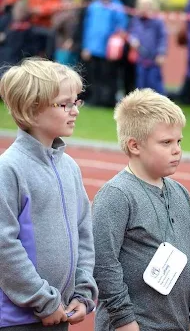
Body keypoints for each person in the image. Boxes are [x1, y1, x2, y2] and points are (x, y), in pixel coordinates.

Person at [92, 89, 190, 331]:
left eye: (179, 141)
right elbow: (103, 264)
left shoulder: (180, 193)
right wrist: (124, 320)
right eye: (166, 142)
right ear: (134, 146)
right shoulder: (117, 195)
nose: (177, 149)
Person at [0, 58, 97, 330]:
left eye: (76, 101)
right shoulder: (9, 169)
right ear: (32, 109)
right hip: (17, 319)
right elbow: (3, 246)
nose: (74, 110)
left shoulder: (70, 168)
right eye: (64, 104)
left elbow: (84, 233)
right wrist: (43, 301)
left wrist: (83, 291)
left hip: (60, 313)